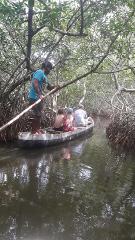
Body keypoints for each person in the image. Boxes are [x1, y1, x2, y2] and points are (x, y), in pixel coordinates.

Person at [28, 61, 57, 134]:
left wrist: (56, 87)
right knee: (37, 114)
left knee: (39, 114)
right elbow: (35, 83)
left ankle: (37, 129)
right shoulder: (40, 72)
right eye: (49, 69)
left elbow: (49, 88)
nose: (49, 70)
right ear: (46, 67)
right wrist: (39, 94)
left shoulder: (45, 77)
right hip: (34, 97)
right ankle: (34, 131)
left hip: (39, 98)